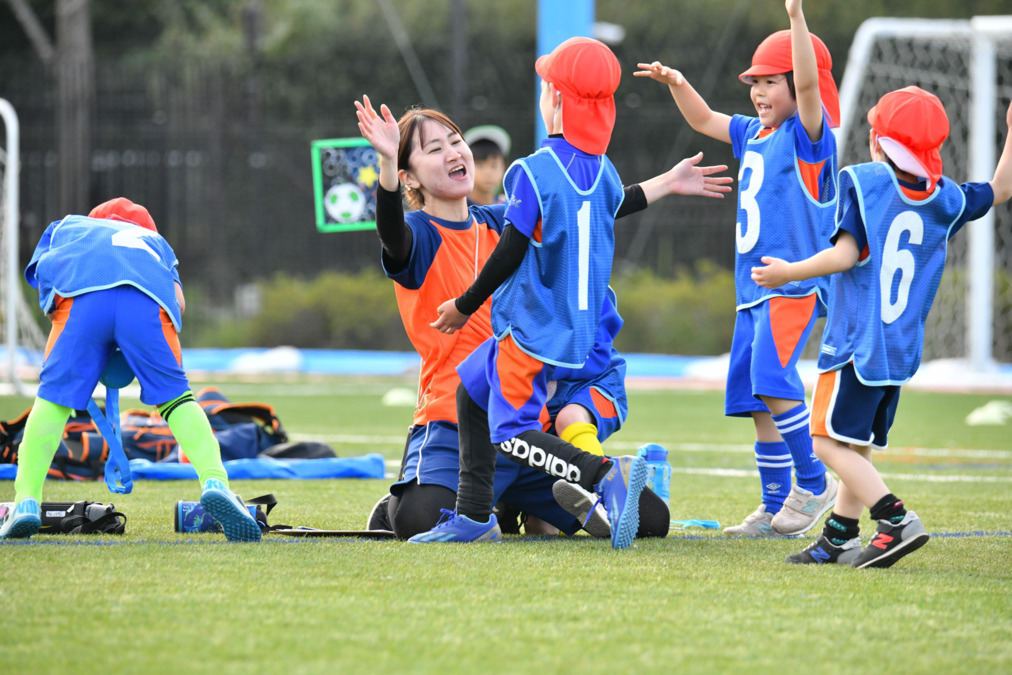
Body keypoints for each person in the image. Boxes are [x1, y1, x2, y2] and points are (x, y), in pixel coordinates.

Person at [354, 94, 729, 542]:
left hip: (523, 422)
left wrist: (667, 182)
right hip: (451, 423)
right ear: (409, 175)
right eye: (434, 149)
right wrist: (384, 167)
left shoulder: (498, 222)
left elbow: (584, 205)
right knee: (416, 517)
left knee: (652, 520)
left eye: (455, 141)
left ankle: (509, 498)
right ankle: (478, 498)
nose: (454, 152)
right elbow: (392, 235)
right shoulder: (419, 233)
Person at [752, 86, 1012, 567]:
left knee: (824, 441)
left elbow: (845, 255)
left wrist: (787, 272)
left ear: (878, 141)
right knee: (856, 443)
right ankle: (838, 537)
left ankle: (894, 519)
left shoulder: (866, 184)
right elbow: (1000, 189)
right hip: (898, 349)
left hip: (856, 344)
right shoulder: (945, 198)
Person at [413, 37, 646, 550]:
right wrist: (667, 183)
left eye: (547, 86)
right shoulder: (604, 172)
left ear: (557, 101)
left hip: (532, 328)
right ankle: (475, 516)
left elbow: (510, 251)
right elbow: (614, 206)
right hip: (574, 330)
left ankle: (604, 476)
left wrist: (464, 304)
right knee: (473, 388)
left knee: (511, 433)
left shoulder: (532, 171)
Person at [635, 0, 840, 538]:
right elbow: (704, 119)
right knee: (756, 401)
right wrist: (678, 82)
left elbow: (812, 89)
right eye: (755, 82)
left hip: (790, 282)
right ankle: (774, 507)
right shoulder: (754, 132)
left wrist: (796, 19)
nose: (758, 91)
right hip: (753, 289)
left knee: (774, 379)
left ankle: (814, 481)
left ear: (798, 85)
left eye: (772, 81)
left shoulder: (808, 138)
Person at [0, 198, 261, 542]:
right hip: (147, 302)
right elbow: (177, 305)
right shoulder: (155, 244)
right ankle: (216, 482)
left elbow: (48, 282)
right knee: (178, 400)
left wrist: (88, 343)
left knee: (53, 401)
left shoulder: (70, 227)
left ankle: (27, 501)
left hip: (82, 299)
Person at [464, 125, 510, 206]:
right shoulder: (462, 209)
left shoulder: (507, 208)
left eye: (494, 166)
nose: (488, 173)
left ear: (504, 168)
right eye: (480, 165)